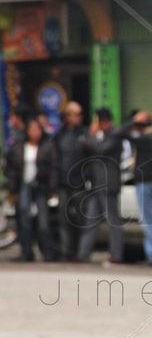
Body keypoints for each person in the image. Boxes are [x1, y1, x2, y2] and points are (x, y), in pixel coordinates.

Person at [77, 108, 126, 265]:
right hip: (96, 185)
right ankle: (83, 253)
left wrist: (91, 135)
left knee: (113, 221)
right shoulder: (101, 135)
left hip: (108, 185)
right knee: (90, 220)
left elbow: (100, 149)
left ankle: (116, 255)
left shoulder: (115, 134)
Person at [5, 118, 58, 261]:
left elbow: (53, 168)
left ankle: (48, 253)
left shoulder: (47, 146)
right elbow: (11, 169)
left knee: (43, 222)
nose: (35, 133)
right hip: (24, 185)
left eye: (37, 130)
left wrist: (52, 188)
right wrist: (12, 189)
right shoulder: (19, 147)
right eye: (32, 129)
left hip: (40, 186)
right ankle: (26, 252)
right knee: (24, 219)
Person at [125, 110, 152, 266]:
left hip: (145, 182)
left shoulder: (145, 138)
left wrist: (133, 121)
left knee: (148, 220)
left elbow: (122, 132)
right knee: (151, 218)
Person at [55, 101, 88, 261]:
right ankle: (65, 252)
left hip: (80, 183)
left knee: (81, 219)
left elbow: (91, 156)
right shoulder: (60, 135)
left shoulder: (84, 133)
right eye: (75, 114)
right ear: (68, 117)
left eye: (80, 114)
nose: (78, 117)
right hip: (63, 183)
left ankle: (80, 252)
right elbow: (55, 158)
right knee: (64, 218)